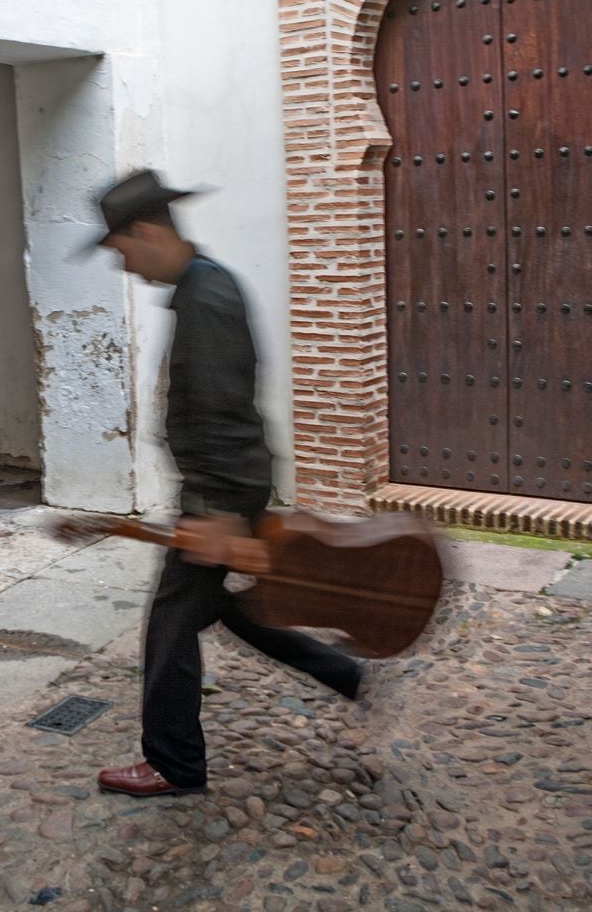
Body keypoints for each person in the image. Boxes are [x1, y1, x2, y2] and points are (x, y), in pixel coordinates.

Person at [87, 170, 363, 797]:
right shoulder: (204, 288)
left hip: (220, 494)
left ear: (148, 231)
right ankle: (347, 676)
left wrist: (214, 513)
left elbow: (217, 409)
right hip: (227, 490)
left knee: (171, 625)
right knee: (232, 610)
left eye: (124, 252)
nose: (126, 268)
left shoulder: (205, 298)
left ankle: (174, 764)